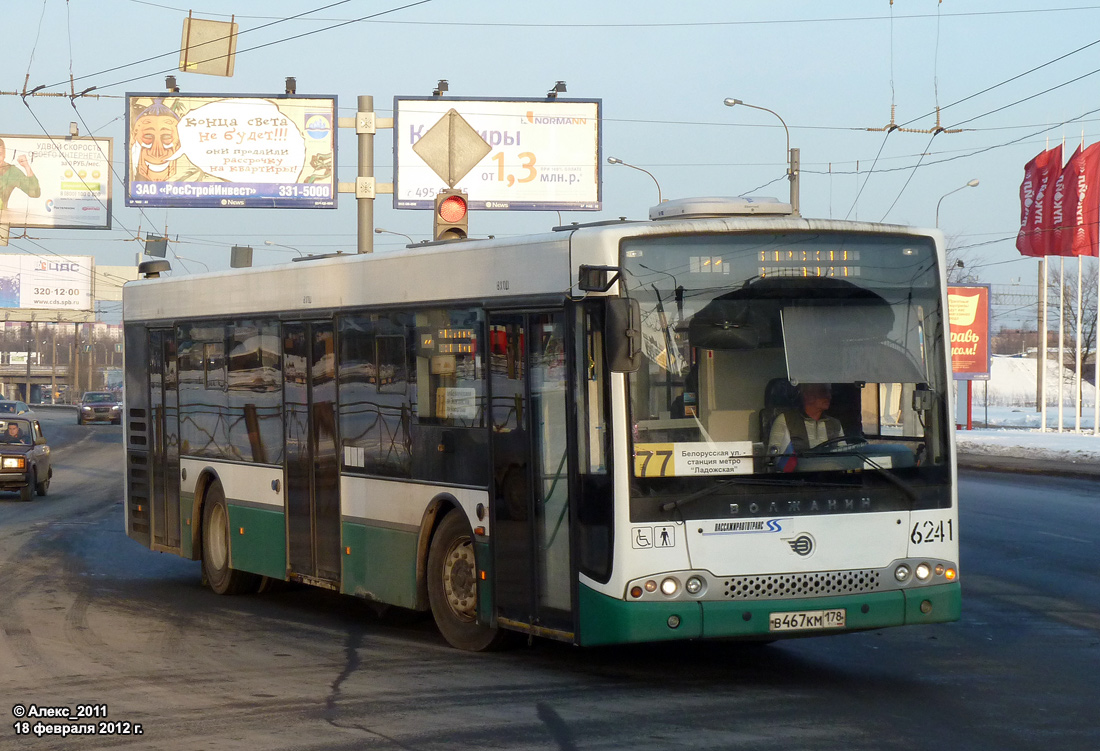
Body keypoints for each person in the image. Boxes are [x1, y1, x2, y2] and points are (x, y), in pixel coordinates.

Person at [766, 383, 844, 470]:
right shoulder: (785, 420)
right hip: (798, 479)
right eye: (823, 392)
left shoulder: (835, 424)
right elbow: (774, 458)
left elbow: (845, 456)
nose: (829, 396)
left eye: (829, 392)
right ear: (807, 395)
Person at [0, 138, 41, 218]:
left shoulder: (11, 171)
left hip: (2, 221)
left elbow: (34, 193)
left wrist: (26, 166)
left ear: (4, 155)